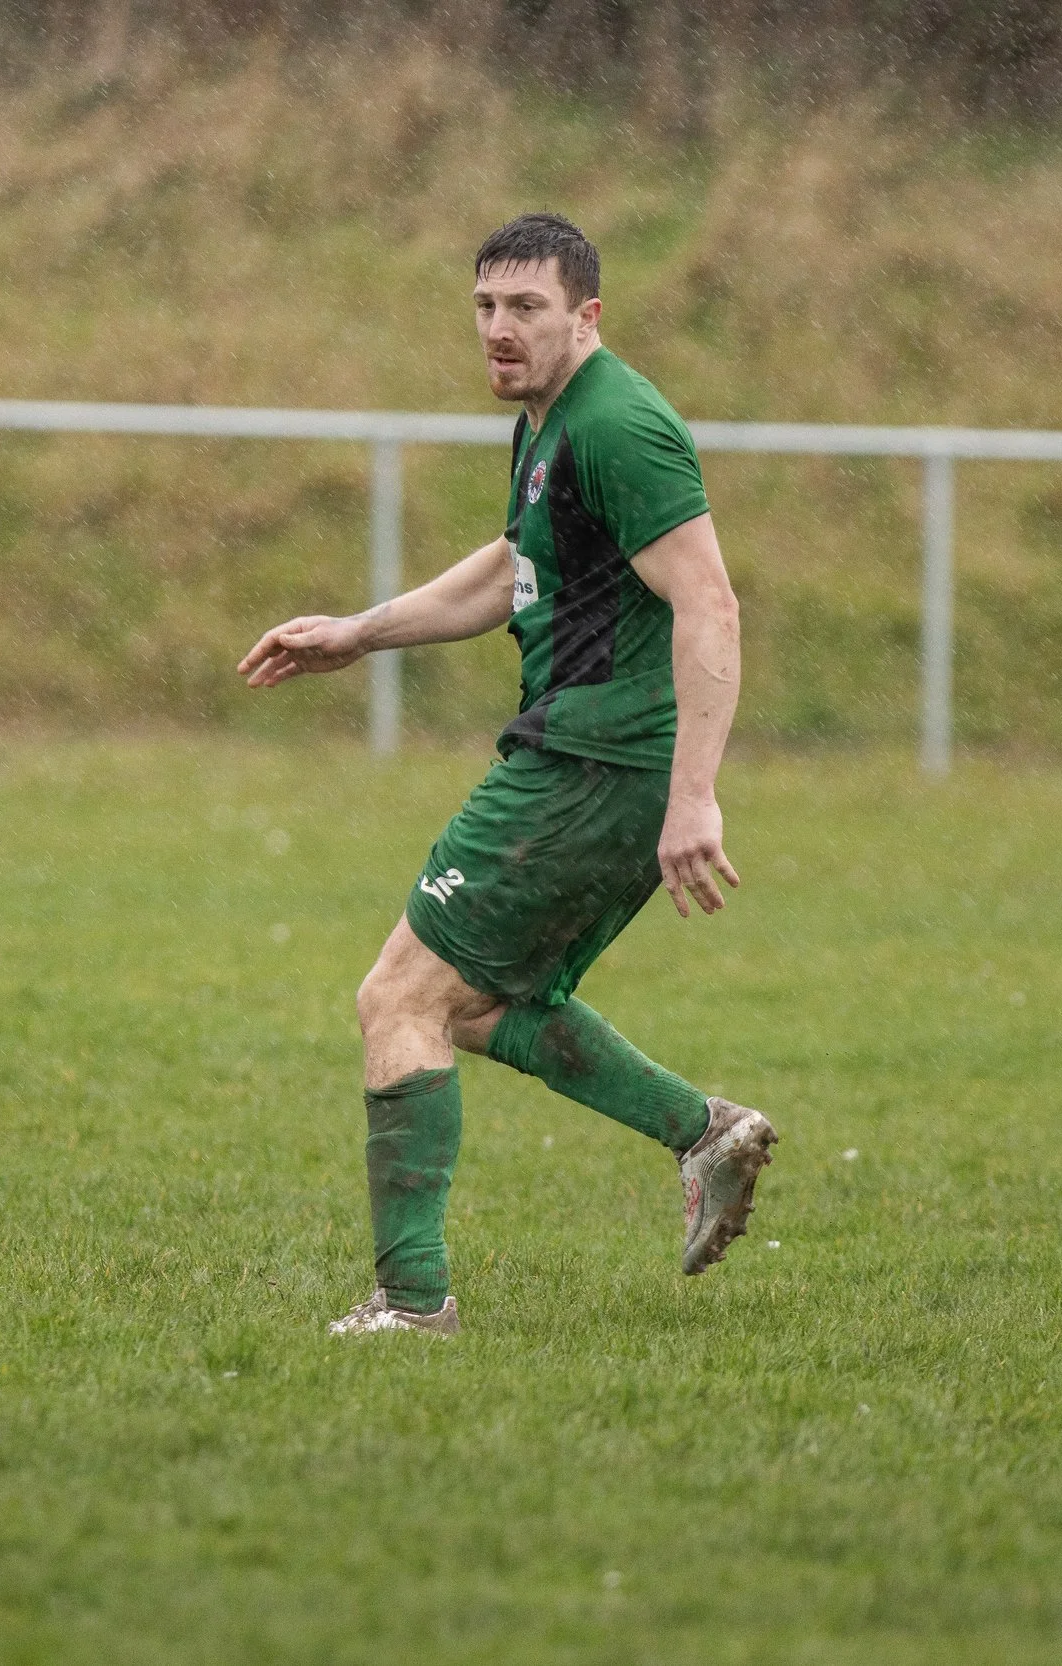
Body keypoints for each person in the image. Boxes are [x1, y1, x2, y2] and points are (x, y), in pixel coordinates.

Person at [239, 213, 775, 1336]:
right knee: (478, 1003)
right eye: (485, 306)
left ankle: (412, 1301)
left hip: (590, 766)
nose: (498, 328)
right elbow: (513, 566)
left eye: (525, 308)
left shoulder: (617, 424)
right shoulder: (549, 425)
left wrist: (693, 795)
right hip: (587, 759)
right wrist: (360, 631)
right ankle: (701, 1130)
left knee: (399, 997)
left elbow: (709, 600)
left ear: (587, 317)